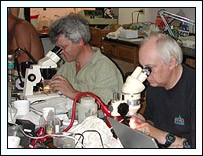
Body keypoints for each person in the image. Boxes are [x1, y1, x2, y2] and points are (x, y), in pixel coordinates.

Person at [129, 33, 196, 148]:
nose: (145, 74)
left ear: (171, 63)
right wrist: (144, 123)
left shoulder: (194, 89)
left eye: (149, 68)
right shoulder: (154, 86)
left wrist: (154, 133)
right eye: (142, 67)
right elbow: (152, 121)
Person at [48, 14, 123, 104]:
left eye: (64, 47)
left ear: (80, 41)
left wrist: (73, 93)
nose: (60, 52)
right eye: (58, 48)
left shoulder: (105, 68)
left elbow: (104, 105)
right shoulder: (69, 64)